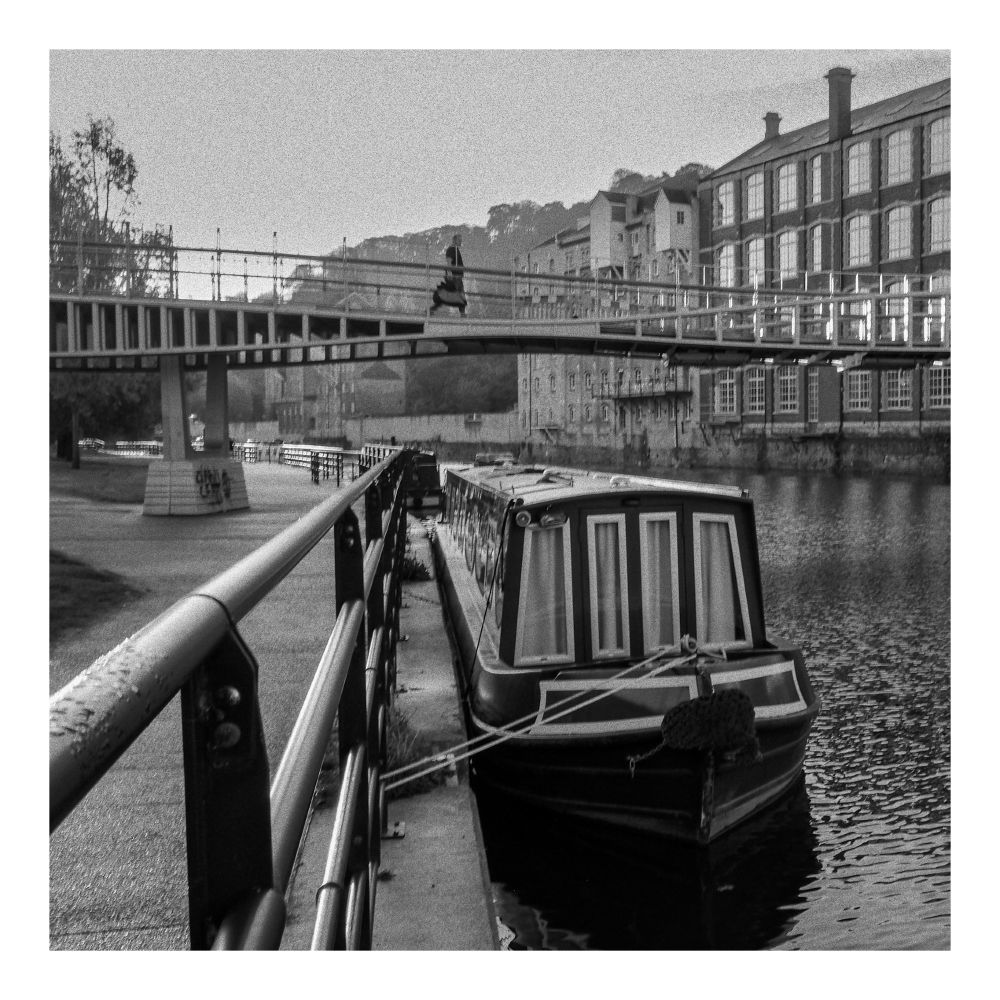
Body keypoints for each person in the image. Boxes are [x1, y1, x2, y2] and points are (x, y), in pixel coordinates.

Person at [430, 233, 467, 316]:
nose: (461, 242)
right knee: (460, 295)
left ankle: (431, 309)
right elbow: (449, 262)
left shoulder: (455, 249)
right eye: (459, 240)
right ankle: (463, 314)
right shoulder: (451, 250)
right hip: (454, 277)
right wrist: (450, 273)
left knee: (449, 295)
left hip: (455, 276)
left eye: (461, 240)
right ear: (454, 240)